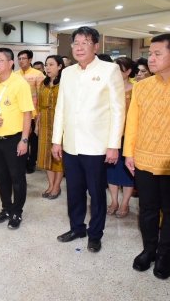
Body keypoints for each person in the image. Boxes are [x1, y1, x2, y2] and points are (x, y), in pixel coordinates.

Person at [52, 26, 125, 253]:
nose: (79, 47)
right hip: (71, 145)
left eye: (85, 42)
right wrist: (57, 140)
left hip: (97, 145)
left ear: (95, 46)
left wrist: (113, 145)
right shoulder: (67, 72)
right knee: (74, 191)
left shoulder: (109, 70)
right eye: (76, 43)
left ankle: (95, 234)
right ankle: (77, 228)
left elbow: (118, 111)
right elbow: (61, 108)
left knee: (96, 193)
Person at [124, 33, 170, 280]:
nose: (151, 59)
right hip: (143, 159)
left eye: (157, 54)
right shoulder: (141, 87)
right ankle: (149, 249)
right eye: (150, 54)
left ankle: (165, 254)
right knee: (148, 209)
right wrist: (128, 153)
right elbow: (132, 124)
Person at [0, 47, 34, 229]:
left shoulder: (19, 83)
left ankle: (17, 212)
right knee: (0, 177)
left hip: (15, 139)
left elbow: (27, 113)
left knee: (17, 178)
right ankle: (6, 208)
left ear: (10, 63)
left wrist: (24, 140)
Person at [106, 57, 136, 218]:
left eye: (120, 69)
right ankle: (114, 201)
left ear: (128, 71)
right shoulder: (109, 88)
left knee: (127, 171)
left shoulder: (136, 88)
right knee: (111, 170)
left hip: (129, 137)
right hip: (111, 136)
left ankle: (125, 203)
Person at [35, 55, 65, 200]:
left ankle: (57, 186)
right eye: (47, 64)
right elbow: (39, 106)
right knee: (46, 156)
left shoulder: (65, 83)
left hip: (59, 123)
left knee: (57, 157)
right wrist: (37, 124)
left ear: (60, 66)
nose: (48, 67)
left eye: (51, 64)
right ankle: (50, 184)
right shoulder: (43, 84)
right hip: (45, 121)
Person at [16, 50, 45, 174]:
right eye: (19, 58)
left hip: (33, 114)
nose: (21, 61)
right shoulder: (15, 75)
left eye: (24, 58)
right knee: (21, 139)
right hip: (18, 114)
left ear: (30, 60)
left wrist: (38, 114)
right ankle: (22, 160)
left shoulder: (38, 75)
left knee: (32, 141)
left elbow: (41, 96)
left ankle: (31, 163)